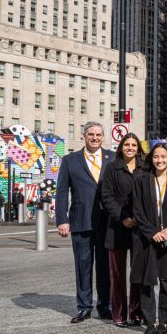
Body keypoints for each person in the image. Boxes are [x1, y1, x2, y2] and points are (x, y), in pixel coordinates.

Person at [56, 121, 113, 322]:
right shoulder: (70, 160)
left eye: (98, 135)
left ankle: (105, 305)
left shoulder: (112, 158)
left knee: (105, 267)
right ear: (84, 136)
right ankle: (84, 306)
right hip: (81, 222)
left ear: (103, 137)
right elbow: (62, 191)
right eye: (91, 134)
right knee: (83, 265)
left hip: (107, 223)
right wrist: (62, 220)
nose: (95, 138)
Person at [131, 143, 167, 334]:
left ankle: (163, 320)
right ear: (151, 159)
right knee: (146, 281)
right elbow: (136, 209)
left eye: (163, 156)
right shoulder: (141, 180)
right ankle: (149, 322)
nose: (160, 160)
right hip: (147, 238)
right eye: (156, 156)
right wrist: (151, 232)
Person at [100, 132, 147, 328]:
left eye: (134, 145)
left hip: (140, 227)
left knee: (137, 273)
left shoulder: (145, 168)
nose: (130, 148)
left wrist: (139, 218)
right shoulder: (112, 168)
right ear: (121, 148)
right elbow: (107, 197)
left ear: (138, 148)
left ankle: (136, 313)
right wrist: (122, 218)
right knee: (117, 274)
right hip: (117, 227)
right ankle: (119, 314)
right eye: (126, 145)